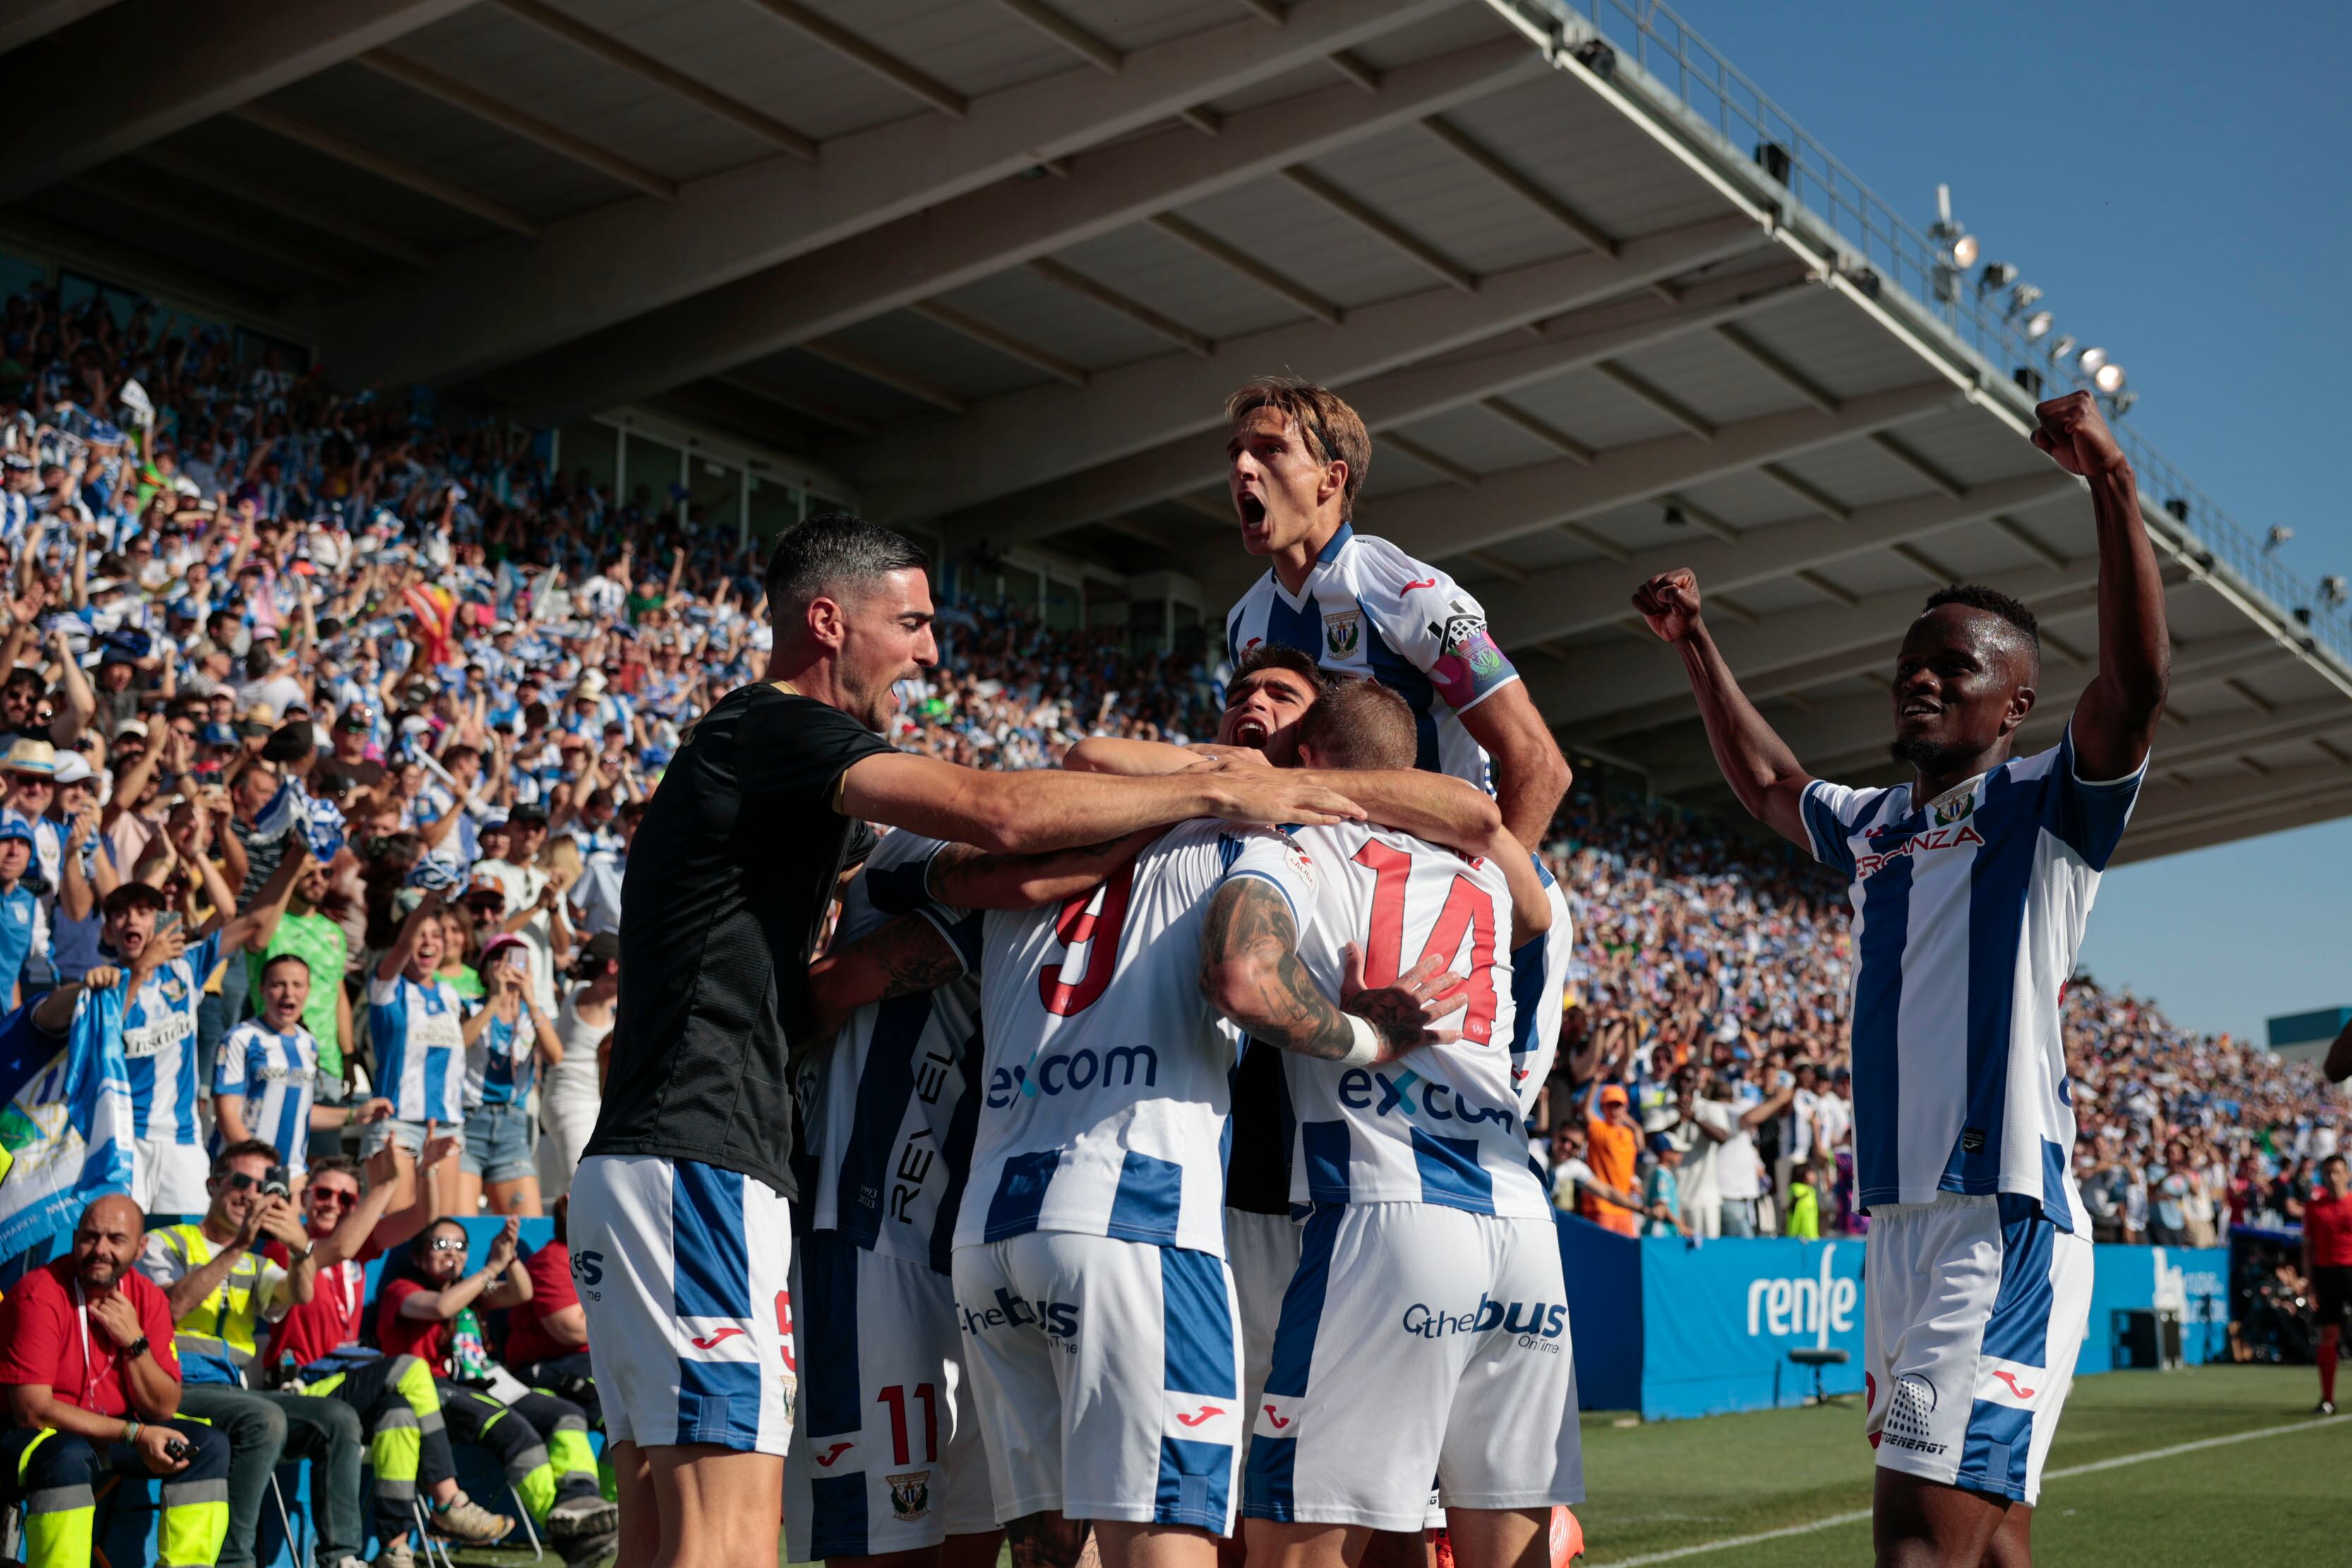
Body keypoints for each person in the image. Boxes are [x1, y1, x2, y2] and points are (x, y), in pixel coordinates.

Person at [570, 513, 1362, 1568]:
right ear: (827, 621)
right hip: (699, 1155)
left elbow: (1010, 876)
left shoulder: (775, 776)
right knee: (726, 1539)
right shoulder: (772, 728)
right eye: (912, 622)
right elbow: (998, 815)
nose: (932, 651)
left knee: (660, 1537)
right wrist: (1219, 790)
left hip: (673, 1155)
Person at [1631, 390, 2169, 1565]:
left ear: (2015, 702)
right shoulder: (1873, 823)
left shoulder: (2047, 806)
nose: (1919, 681)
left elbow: (2131, 689)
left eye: (1953, 667)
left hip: (2000, 1218)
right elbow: (1774, 786)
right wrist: (1697, 646)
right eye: (1910, 666)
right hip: (1899, 1224)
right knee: (1984, 1540)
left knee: (1918, 1543)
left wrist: (2111, 485)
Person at [1224, 681, 1580, 1568]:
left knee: (1290, 1540)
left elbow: (1241, 976)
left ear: (1306, 761)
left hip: (1385, 1209)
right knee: (1508, 1543)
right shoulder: (1484, 873)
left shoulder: (1297, 841)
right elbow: (1522, 880)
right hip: (1518, 1224)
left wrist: (1355, 1033)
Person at [263, 1145, 517, 1560]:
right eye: (324, 1194)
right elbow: (341, 1247)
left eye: (346, 1199)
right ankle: (449, 1500)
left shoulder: (357, 1252)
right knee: (411, 1368)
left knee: (399, 1413)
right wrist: (388, 1183)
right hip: (302, 1391)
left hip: (345, 1387)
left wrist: (429, 1172)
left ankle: (395, 1548)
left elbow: (421, 1221)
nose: (333, 1203)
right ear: (305, 1197)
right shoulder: (289, 1249)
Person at [136, 1139, 366, 1568]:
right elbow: (168, 1309)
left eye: (263, 1185)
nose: (250, 1193)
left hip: (230, 1392)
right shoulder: (163, 1242)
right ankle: (233, 1561)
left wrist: (302, 1249)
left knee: (338, 1420)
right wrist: (239, 1245)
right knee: (263, 1417)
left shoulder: (256, 1263)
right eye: (240, 1180)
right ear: (213, 1185)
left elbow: (300, 1291)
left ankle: (341, 1558)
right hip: (170, 1388)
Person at [0, 1193, 235, 1568]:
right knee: (68, 1454)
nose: (101, 1250)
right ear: (75, 1239)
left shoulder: (148, 1298)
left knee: (204, 1445)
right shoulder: (39, 1292)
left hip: (110, 1434)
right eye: (90, 1237)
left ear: (141, 1247)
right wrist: (135, 1435)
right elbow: (32, 1410)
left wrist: (136, 1344)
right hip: (29, 1436)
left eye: (116, 1239)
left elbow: (163, 1407)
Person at [376, 1217, 617, 1564]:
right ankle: (570, 1530)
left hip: (492, 1384)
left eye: (461, 1246)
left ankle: (581, 1501)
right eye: (440, 1245)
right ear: (416, 1257)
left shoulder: (473, 1295)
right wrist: (491, 1268)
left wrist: (510, 1258)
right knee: (517, 1433)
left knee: (567, 1414)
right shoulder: (401, 1290)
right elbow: (441, 1307)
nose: (452, 1254)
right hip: (433, 1390)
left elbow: (522, 1292)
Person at [211, 953, 392, 1185]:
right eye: (278, 985)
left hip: (293, 1175)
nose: (289, 993)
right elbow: (227, 1115)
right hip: (246, 1175)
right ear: (262, 990)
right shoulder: (240, 1038)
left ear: (308, 990)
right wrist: (260, 1170)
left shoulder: (308, 1044)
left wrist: (354, 1115)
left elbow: (300, 1112)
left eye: (298, 985)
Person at [365, 887, 469, 1218]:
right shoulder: (387, 986)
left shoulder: (451, 995)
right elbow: (399, 948)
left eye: (436, 935)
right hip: (397, 1123)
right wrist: (428, 904)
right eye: (419, 934)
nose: (428, 942)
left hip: (448, 1125)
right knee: (400, 1231)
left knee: (443, 1232)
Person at [456, 932, 560, 1217]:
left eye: (516, 958)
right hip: (468, 1122)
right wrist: (495, 1001)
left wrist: (531, 998)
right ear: (486, 969)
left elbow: (556, 1055)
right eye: (498, 958)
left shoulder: (532, 1014)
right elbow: (458, 1045)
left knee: (527, 1225)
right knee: (464, 1224)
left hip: (512, 1125)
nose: (508, 965)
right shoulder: (471, 1007)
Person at [538, 931, 615, 1202]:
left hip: (589, 1107)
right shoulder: (590, 996)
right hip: (571, 1106)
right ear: (613, 967)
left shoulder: (585, 992)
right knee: (584, 1189)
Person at [1686, 1067, 1794, 1238]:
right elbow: (1748, 1118)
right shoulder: (1718, 1109)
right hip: (1730, 1197)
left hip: (1741, 1197)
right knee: (1744, 1256)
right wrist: (1779, 1099)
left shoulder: (1730, 1108)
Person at [2302, 1153, 2352, 1415]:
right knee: (2327, 1335)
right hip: (2326, 1274)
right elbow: (2307, 1249)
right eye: (2328, 1173)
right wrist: (2310, 1285)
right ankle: (2328, 1398)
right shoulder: (2314, 1208)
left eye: (2337, 1172)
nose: (2333, 1178)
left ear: (2347, 1174)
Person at [1581, 1086, 1642, 1237]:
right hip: (1602, 1206)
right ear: (1602, 1108)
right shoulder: (1599, 1129)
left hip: (1626, 1206)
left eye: (1618, 1106)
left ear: (1626, 1108)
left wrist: (1634, 1183)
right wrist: (1596, 1082)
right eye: (1610, 1105)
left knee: (1626, 1256)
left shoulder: (1629, 1134)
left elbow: (1639, 1150)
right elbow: (1586, 1110)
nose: (1615, 1111)